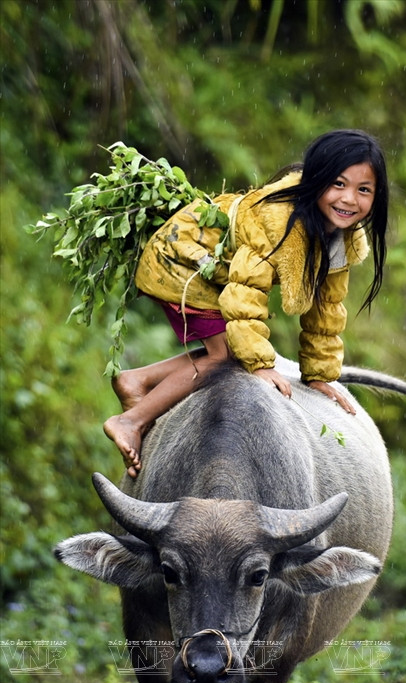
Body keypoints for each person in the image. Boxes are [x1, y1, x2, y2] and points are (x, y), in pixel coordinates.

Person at [104, 129, 389, 477]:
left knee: (226, 353)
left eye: (364, 190)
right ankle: (130, 421)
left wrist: (318, 374)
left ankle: (138, 380)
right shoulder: (278, 223)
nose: (349, 199)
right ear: (317, 181)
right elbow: (244, 294)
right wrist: (260, 364)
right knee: (227, 357)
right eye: (338, 184)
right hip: (183, 262)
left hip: (215, 274)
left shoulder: (342, 238)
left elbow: (326, 308)